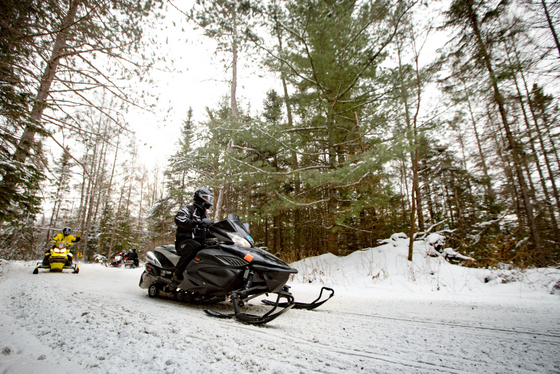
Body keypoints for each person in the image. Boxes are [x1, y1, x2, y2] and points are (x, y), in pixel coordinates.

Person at [172, 187, 214, 284]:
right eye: (207, 198)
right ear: (200, 198)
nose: (209, 201)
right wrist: (196, 223)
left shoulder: (204, 215)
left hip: (199, 242)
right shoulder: (189, 209)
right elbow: (179, 219)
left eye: (210, 199)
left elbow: (204, 231)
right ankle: (177, 274)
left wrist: (217, 233)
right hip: (184, 242)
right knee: (194, 246)